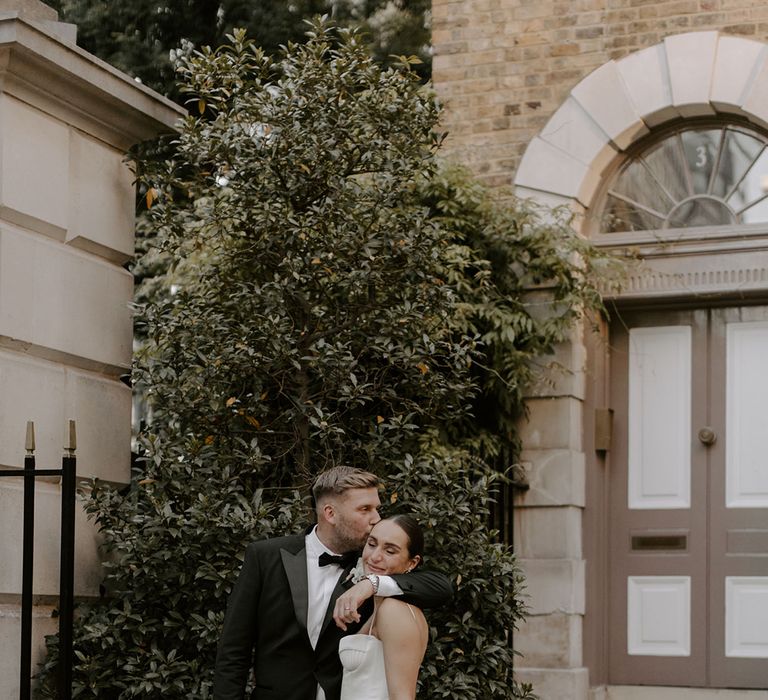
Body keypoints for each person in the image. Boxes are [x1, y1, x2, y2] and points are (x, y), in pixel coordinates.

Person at [213, 466, 452, 700]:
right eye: (365, 509)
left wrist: (370, 584)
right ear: (330, 513)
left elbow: (440, 587)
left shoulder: (372, 564)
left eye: (377, 508)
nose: (376, 518)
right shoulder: (266, 557)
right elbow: (234, 651)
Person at [339, 515, 429, 700]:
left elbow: (402, 696)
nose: (374, 557)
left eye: (390, 551)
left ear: (412, 563)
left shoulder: (394, 610)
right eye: (372, 544)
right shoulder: (381, 607)